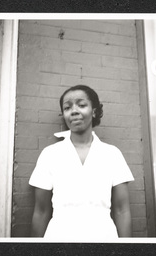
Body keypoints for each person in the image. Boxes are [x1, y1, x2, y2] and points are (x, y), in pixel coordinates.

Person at [29, 85, 134, 241]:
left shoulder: (112, 154)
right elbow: (41, 211)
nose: (74, 111)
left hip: (104, 237)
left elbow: (122, 210)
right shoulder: (50, 154)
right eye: (67, 107)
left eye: (82, 105)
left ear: (94, 111)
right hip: (60, 237)